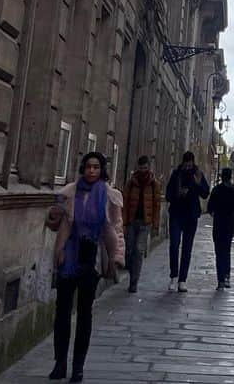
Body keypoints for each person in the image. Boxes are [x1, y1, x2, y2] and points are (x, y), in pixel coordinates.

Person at [45, 151, 125, 382]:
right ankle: (59, 362)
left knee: (84, 313)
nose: (91, 171)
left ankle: (78, 366)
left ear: (102, 171)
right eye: (88, 167)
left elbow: (116, 229)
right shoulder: (68, 192)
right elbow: (54, 224)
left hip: (92, 257)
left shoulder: (110, 196)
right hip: (68, 255)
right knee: (62, 312)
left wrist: (116, 257)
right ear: (83, 168)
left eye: (96, 167)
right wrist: (53, 215)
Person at [165, 150, 209, 291]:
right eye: (186, 165)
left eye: (190, 165)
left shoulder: (197, 174)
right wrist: (178, 194)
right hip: (177, 214)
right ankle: (173, 276)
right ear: (183, 163)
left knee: (187, 248)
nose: (188, 168)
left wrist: (197, 184)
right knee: (174, 244)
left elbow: (205, 193)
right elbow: (168, 194)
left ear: (193, 163)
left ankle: (182, 280)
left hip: (191, 215)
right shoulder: (176, 174)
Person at [122, 155, 160, 294]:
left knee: (138, 250)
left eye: (145, 168)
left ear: (148, 167)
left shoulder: (153, 183)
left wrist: (155, 224)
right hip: (132, 221)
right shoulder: (131, 182)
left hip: (145, 222)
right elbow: (125, 202)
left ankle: (134, 282)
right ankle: (132, 274)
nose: (143, 170)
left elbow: (156, 204)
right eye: (141, 168)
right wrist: (124, 222)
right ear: (137, 167)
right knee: (130, 250)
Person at [207, 167, 234, 289]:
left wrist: (216, 213)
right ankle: (227, 276)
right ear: (231, 177)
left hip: (218, 224)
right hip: (229, 224)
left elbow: (210, 208)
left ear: (221, 176)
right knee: (226, 251)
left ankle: (220, 280)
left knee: (218, 252)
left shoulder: (216, 190)